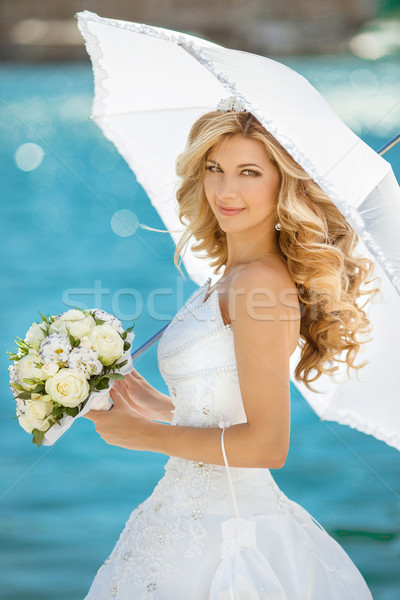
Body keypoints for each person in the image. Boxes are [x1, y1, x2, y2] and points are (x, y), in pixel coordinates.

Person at [82, 103, 376, 599]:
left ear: (285, 185)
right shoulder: (231, 279)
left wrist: (145, 435)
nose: (225, 190)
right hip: (181, 518)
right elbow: (225, 408)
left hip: (229, 535)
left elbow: (267, 446)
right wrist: (159, 406)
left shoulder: (258, 285)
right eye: (215, 169)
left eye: (249, 172)